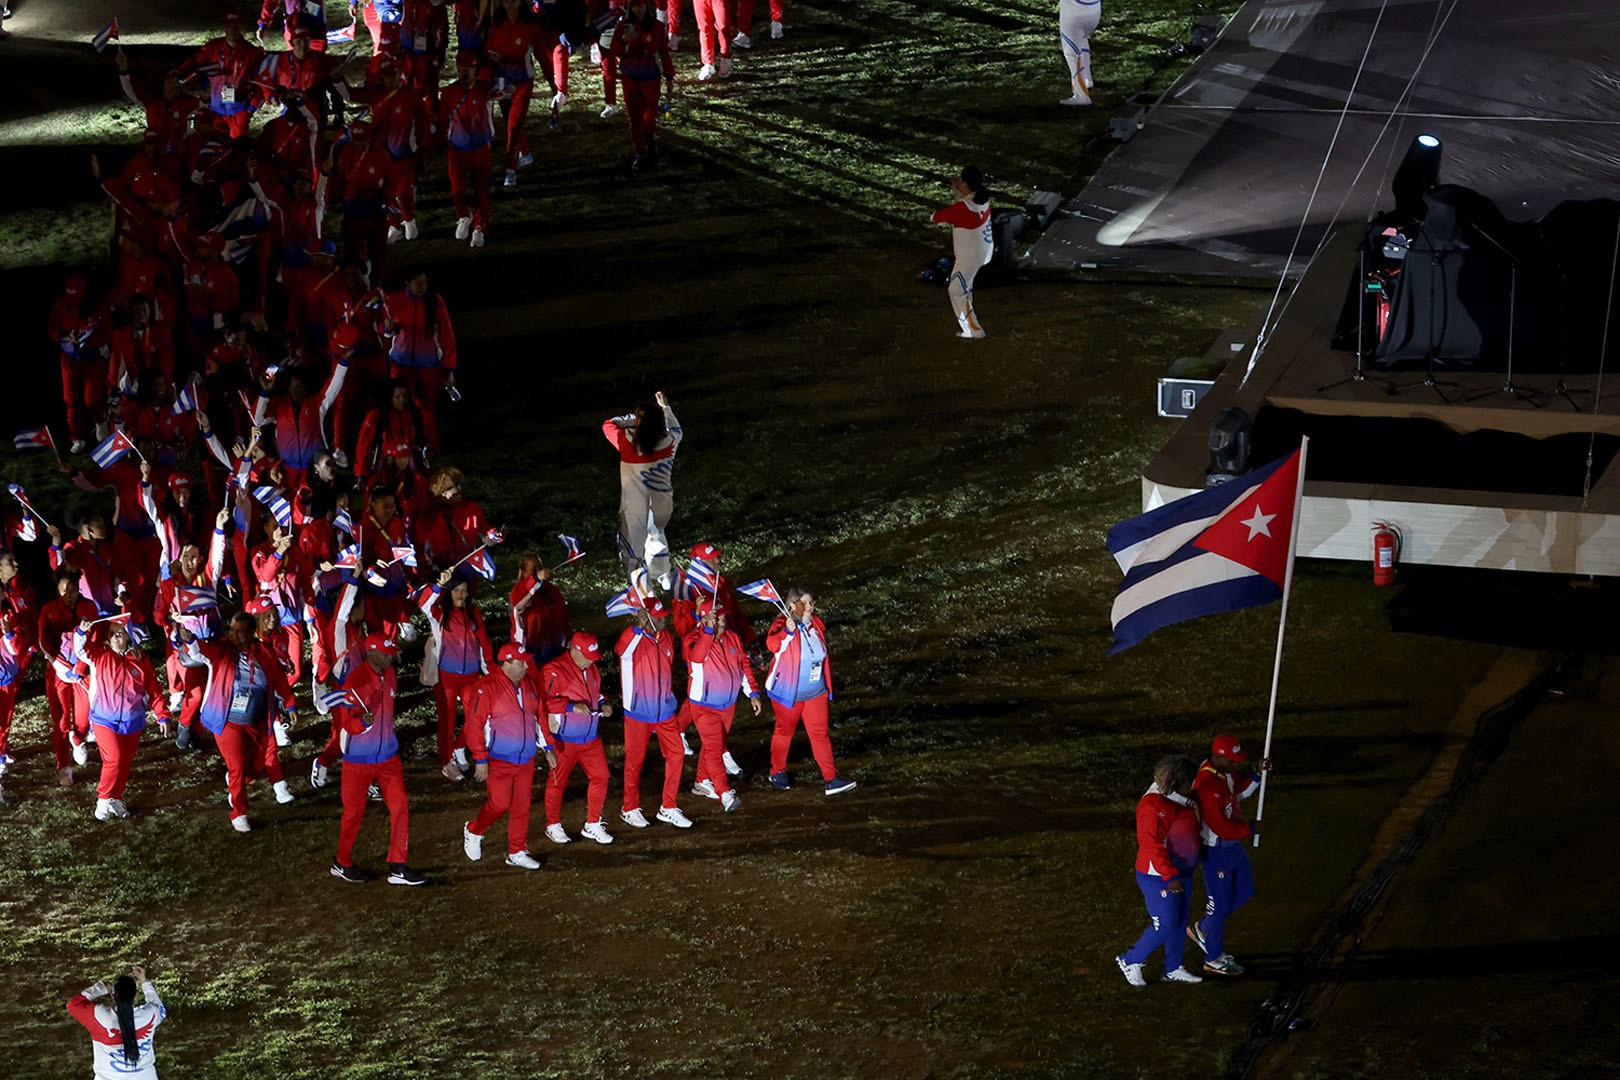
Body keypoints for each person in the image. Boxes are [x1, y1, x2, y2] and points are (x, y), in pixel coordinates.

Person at [177, 612, 298, 831]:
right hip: (227, 721)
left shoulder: (264, 652)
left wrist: (290, 704)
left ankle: (236, 780)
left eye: (239, 632)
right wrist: (190, 639)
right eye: (232, 630)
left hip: (256, 721)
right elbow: (201, 652)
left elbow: (279, 679)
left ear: (251, 633)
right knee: (238, 767)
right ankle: (239, 812)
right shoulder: (222, 650)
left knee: (254, 769)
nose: (233, 635)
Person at [329, 633, 425, 885]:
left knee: (400, 806)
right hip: (358, 760)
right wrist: (362, 722)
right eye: (385, 654)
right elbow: (346, 724)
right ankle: (341, 862)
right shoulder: (355, 680)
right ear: (371, 654)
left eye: (391, 654)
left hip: (388, 757)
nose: (389, 658)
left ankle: (398, 865)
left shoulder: (389, 674)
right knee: (353, 813)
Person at [463, 643, 557, 870]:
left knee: (521, 806)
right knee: (499, 804)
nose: (526, 666)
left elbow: (539, 717)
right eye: (521, 663)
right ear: (506, 663)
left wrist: (548, 747)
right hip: (499, 759)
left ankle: (517, 851)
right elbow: (474, 725)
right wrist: (480, 758)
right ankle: (474, 830)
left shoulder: (529, 685)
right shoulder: (485, 688)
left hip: (525, 759)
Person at [1116, 754, 1204, 987]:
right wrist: (1170, 876)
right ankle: (1130, 959)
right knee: (1165, 923)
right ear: (1178, 783)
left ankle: (1173, 967)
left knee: (1180, 920)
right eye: (1190, 782)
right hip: (1159, 876)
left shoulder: (1178, 797)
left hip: (1181, 870)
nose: (1193, 786)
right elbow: (1151, 845)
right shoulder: (1152, 806)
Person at [1187, 733, 1271, 977]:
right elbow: (1220, 827)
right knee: (1219, 904)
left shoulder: (1224, 774)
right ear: (1218, 757)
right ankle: (1213, 958)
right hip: (1215, 851)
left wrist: (1257, 774)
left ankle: (1203, 928)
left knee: (1245, 891)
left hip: (1232, 846)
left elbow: (1238, 794)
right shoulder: (1207, 785)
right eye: (1232, 760)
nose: (1236, 764)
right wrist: (1250, 829)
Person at [75, 618, 171, 820]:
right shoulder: (100, 655)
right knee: (114, 759)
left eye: (120, 632)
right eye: (111, 633)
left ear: (128, 635)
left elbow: (153, 688)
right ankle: (103, 798)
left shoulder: (140, 659)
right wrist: (81, 633)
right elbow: (80, 650)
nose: (115, 636)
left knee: (124, 763)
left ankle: (116, 797)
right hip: (104, 719)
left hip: (132, 721)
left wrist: (162, 714)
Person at [763, 588, 855, 795]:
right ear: (792, 605)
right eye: (805, 603)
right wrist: (787, 632)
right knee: (784, 732)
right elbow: (772, 645)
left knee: (820, 735)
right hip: (788, 693)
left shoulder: (816, 623)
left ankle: (831, 779)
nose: (811, 607)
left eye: (812, 602)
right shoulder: (782, 625)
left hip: (816, 692)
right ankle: (777, 771)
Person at [615, 596, 691, 830]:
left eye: (664, 616)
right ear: (646, 619)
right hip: (638, 713)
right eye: (658, 618)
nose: (664, 621)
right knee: (634, 762)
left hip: (665, 711)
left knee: (677, 753)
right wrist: (637, 629)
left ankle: (668, 806)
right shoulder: (632, 639)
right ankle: (629, 808)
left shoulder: (666, 637)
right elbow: (622, 651)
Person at [681, 596, 759, 812]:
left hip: (727, 704)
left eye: (724, 617)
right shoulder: (693, 639)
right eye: (719, 618)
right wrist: (707, 631)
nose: (723, 621)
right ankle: (724, 793)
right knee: (715, 748)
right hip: (704, 705)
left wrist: (752, 692)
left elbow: (743, 664)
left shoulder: (732, 637)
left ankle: (701, 781)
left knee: (712, 745)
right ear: (706, 619)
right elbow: (697, 657)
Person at [541, 631, 615, 845]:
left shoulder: (590, 668)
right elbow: (544, 703)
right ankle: (552, 824)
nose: (592, 661)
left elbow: (596, 692)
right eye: (588, 657)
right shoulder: (554, 670)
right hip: (564, 739)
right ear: (575, 651)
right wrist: (571, 707)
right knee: (557, 783)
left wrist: (604, 703)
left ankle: (593, 823)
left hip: (590, 737)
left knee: (601, 777)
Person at [419, 570, 494, 780]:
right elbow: (424, 605)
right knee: (447, 720)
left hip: (471, 676)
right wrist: (438, 586)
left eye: (464, 590)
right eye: (457, 590)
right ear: (449, 592)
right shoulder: (440, 614)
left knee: (477, 715)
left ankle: (460, 747)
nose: (462, 595)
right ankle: (447, 761)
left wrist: (490, 668)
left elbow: (483, 642)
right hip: (447, 676)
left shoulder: (474, 613)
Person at [603, 389, 681, 587]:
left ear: (639, 422)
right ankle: (663, 575)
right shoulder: (670, 441)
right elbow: (676, 428)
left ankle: (644, 593)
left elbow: (608, 424)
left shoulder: (627, 440)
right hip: (662, 506)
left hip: (635, 509)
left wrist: (632, 418)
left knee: (632, 554)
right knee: (656, 535)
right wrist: (665, 408)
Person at [608, 0, 675, 171]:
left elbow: (663, 52)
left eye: (641, 5)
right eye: (634, 6)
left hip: (650, 77)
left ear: (646, 6)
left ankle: (651, 146)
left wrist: (669, 75)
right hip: (630, 77)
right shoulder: (623, 26)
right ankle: (640, 152)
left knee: (648, 116)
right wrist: (624, 41)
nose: (638, 9)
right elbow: (615, 50)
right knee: (634, 118)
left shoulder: (657, 26)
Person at [439, 50, 496, 248]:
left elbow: (502, 88)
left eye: (468, 69)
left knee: (481, 191)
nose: (463, 73)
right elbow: (443, 119)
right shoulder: (449, 93)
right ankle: (464, 215)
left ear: (475, 70)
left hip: (480, 148)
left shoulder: (484, 90)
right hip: (457, 149)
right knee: (457, 190)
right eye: (461, 69)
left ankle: (479, 227)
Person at [67, 966, 165, 1080]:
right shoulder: (150, 1015)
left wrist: (102, 987)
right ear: (136, 994)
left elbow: (73, 1005)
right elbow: (160, 1008)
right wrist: (144, 981)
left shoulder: (99, 1016)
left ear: (112, 995)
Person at [929, 165, 993, 339]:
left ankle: (973, 330)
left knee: (956, 290)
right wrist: (959, 193)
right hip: (984, 251)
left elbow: (936, 217)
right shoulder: (982, 198)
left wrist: (957, 195)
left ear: (965, 184)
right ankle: (971, 324)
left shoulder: (963, 209)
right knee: (965, 286)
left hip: (970, 258)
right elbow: (964, 205)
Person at [1058, 0, 1100, 106]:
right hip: (1094, 11)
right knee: (1081, 38)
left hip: (1074, 14)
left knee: (1071, 54)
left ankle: (1081, 96)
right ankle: (1087, 79)